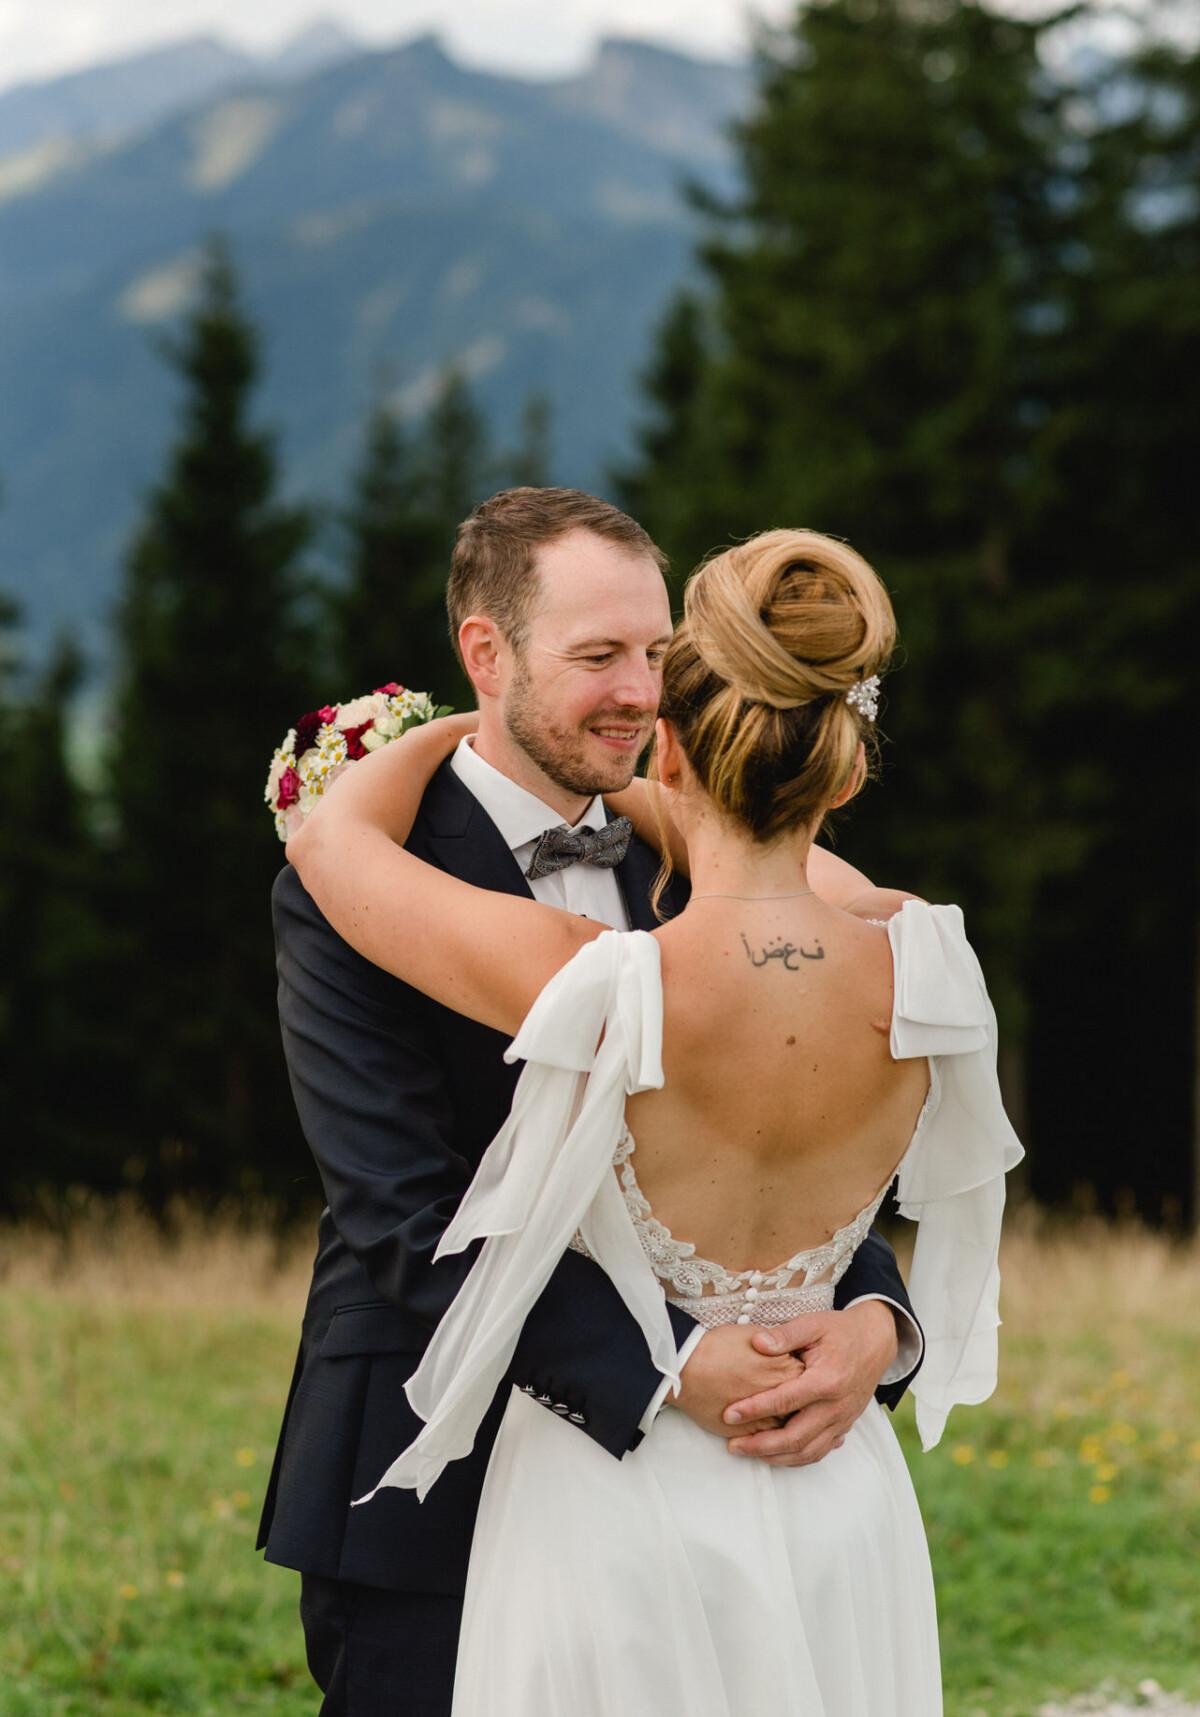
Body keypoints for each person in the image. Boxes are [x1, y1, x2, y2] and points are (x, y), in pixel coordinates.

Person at [287, 514, 1022, 1715]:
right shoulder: (919, 956)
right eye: (600, 656)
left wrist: (873, 1322)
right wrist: (708, 1357)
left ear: (678, 742)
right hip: (473, 1493)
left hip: (636, 1502)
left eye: (659, 660)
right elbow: (401, 1210)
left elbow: (329, 841)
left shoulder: (603, 975)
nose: (636, 692)